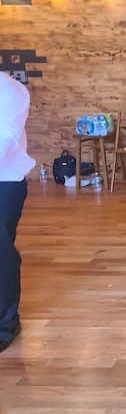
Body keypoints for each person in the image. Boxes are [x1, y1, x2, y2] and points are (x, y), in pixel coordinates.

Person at [0, 72, 35, 354]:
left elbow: (7, 137)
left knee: (1, 255)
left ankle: (5, 325)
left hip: (4, 183)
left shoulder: (8, 89)